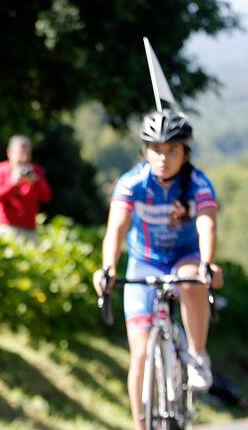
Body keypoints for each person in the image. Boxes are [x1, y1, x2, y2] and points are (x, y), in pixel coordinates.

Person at [93, 110, 222, 430]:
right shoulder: (132, 183)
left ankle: (196, 355)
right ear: (145, 151)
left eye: (172, 150)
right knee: (139, 355)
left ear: (185, 153)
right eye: (156, 149)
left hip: (184, 257)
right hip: (145, 261)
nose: (163, 158)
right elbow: (116, 230)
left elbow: (207, 224)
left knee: (193, 280)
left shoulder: (196, 182)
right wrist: (107, 269)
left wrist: (207, 263)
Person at [0, 134, 52, 240]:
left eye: (28, 154)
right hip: (5, 228)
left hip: (30, 230)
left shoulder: (36, 172)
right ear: (9, 153)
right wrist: (11, 183)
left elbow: (47, 197)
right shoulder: (0, 170)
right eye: (21, 154)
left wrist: (36, 182)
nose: (25, 158)